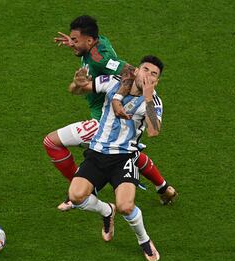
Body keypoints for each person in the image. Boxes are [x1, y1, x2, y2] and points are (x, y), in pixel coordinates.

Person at [43, 15, 177, 210]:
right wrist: (75, 45)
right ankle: (164, 188)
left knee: (51, 142)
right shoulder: (95, 43)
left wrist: (117, 99)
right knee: (125, 151)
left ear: (90, 40)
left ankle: (80, 190)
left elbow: (131, 71)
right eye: (71, 39)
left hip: (102, 120)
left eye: (75, 40)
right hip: (112, 119)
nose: (72, 43)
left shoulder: (100, 57)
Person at [68, 55, 165, 261]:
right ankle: (106, 210)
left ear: (157, 81)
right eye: (145, 70)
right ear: (137, 71)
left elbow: (154, 131)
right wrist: (77, 84)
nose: (148, 75)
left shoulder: (154, 101)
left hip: (124, 158)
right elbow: (77, 90)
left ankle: (144, 240)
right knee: (76, 196)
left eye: (154, 74)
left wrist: (147, 97)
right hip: (97, 153)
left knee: (126, 206)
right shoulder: (112, 82)